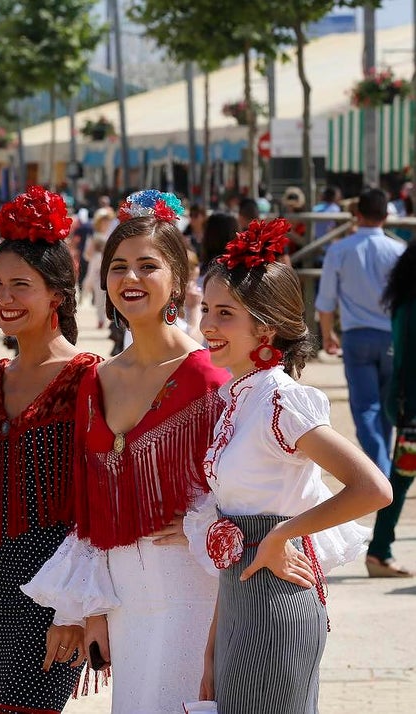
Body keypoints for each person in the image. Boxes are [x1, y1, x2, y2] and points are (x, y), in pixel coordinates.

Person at [24, 190, 230, 714]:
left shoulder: (211, 377)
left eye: (147, 266)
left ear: (178, 281)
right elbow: (89, 507)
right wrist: (89, 608)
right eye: (118, 267)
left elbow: (237, 491)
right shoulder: (97, 378)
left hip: (194, 588)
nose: (130, 279)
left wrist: (197, 524)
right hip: (124, 600)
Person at [190, 218, 391, 712]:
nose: (208, 326)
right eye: (207, 310)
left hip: (278, 603)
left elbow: (373, 489)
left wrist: (281, 536)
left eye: (225, 314)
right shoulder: (238, 398)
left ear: (266, 327)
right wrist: (214, 643)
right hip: (240, 600)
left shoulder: (284, 401)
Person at [0, 187, 96, 714]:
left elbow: (96, 502)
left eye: (20, 286)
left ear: (57, 295)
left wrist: (75, 609)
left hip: (56, 596)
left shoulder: (88, 378)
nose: (4, 298)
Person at [317, 188, 406, 477]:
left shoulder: (340, 249)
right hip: (392, 334)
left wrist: (327, 333)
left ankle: (380, 467)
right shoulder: (398, 250)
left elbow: (326, 300)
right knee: (388, 404)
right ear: (386, 216)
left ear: (357, 214)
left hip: (356, 335)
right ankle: (384, 464)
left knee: (365, 407)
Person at [367, 239, 416, 577]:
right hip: (412, 407)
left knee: (400, 478)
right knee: (400, 478)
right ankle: (379, 549)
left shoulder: (405, 305)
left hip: (407, 404)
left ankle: (380, 549)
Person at [82, 207, 114, 329]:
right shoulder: (94, 237)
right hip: (97, 271)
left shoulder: (112, 235)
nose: (106, 223)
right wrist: (96, 255)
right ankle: (101, 319)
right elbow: (87, 255)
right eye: (104, 221)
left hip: (110, 269)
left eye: (108, 221)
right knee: (100, 297)